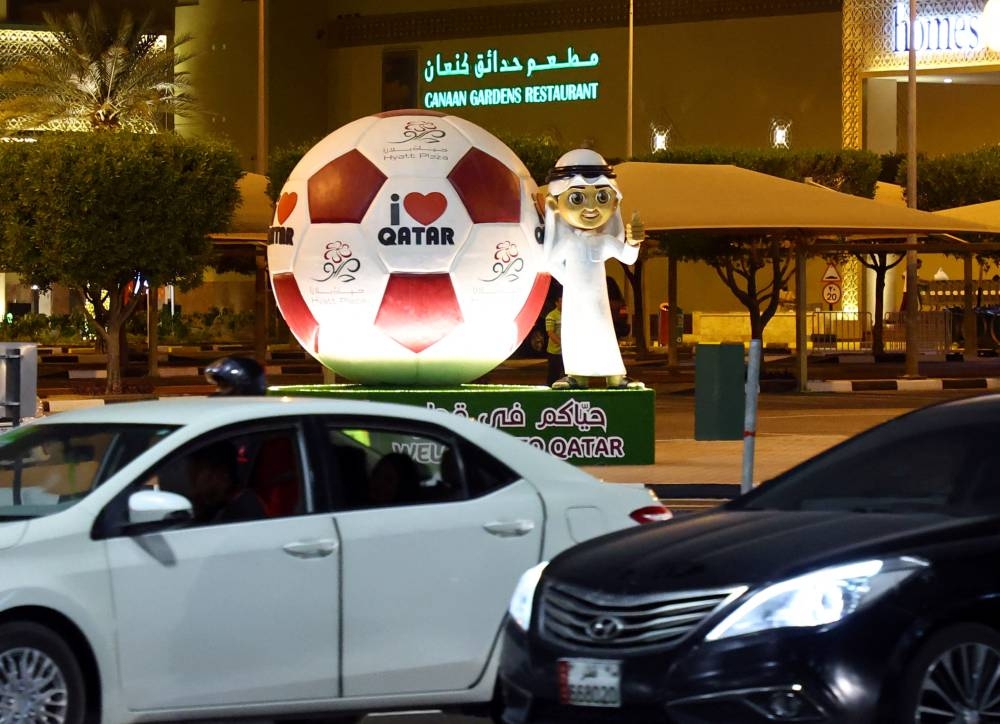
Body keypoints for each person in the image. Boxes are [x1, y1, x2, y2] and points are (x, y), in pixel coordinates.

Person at [542, 148, 645, 390]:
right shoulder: (568, 241)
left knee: (604, 333)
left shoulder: (603, 241)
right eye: (577, 198)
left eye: (601, 198)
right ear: (554, 204)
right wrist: (572, 283)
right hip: (576, 302)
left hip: (599, 302)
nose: (591, 208)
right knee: (576, 334)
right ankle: (576, 375)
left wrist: (633, 241)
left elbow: (628, 257)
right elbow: (550, 262)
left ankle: (615, 376)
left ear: (615, 200)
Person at [187, 440, 266, 524]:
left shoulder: (243, 513)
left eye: (197, 472)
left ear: (221, 473)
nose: (193, 481)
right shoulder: (216, 506)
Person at [544, 296, 564, 386]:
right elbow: (550, 333)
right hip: (555, 352)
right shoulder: (551, 315)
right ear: (556, 303)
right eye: (561, 302)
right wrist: (562, 344)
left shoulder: (571, 314)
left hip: (568, 351)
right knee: (553, 374)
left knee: (568, 374)